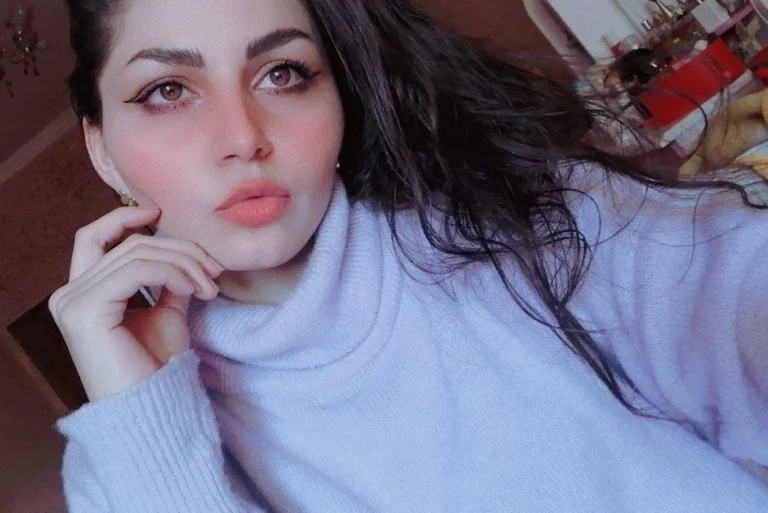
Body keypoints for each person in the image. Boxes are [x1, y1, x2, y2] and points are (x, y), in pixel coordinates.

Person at [49, 0, 768, 511]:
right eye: (168, 90)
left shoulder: (512, 215)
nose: (243, 137)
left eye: (283, 73)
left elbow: (733, 288)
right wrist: (147, 420)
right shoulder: (117, 471)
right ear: (102, 148)